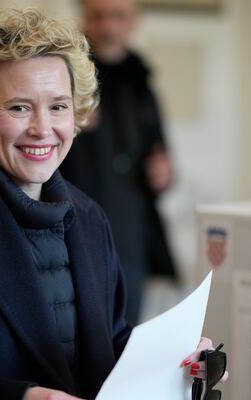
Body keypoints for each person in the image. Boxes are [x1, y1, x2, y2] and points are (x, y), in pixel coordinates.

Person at [0, 8, 216, 400]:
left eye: (58, 106)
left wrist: (173, 362)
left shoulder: (91, 219)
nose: (43, 128)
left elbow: (106, 350)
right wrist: (24, 398)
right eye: (19, 107)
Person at [60, 0, 176, 324]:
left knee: (126, 339)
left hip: (130, 238)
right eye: (99, 16)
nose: (108, 26)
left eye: (118, 16)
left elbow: (162, 157)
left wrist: (163, 174)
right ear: (84, 19)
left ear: (134, 22)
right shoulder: (63, 76)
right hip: (72, 233)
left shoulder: (143, 83)